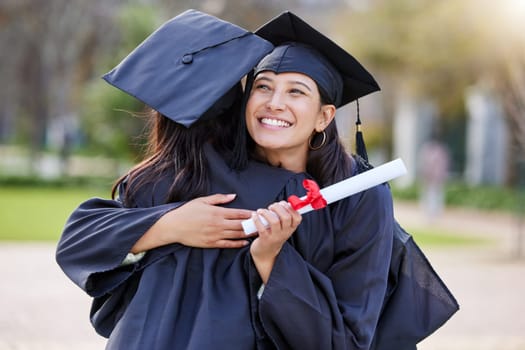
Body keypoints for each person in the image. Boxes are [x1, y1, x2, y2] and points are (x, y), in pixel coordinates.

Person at [57, 10, 457, 350]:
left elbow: (346, 340)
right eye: (263, 87)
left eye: (297, 91)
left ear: (324, 116)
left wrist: (273, 260)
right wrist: (169, 224)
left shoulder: (357, 198)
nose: (274, 103)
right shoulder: (197, 171)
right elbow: (81, 240)